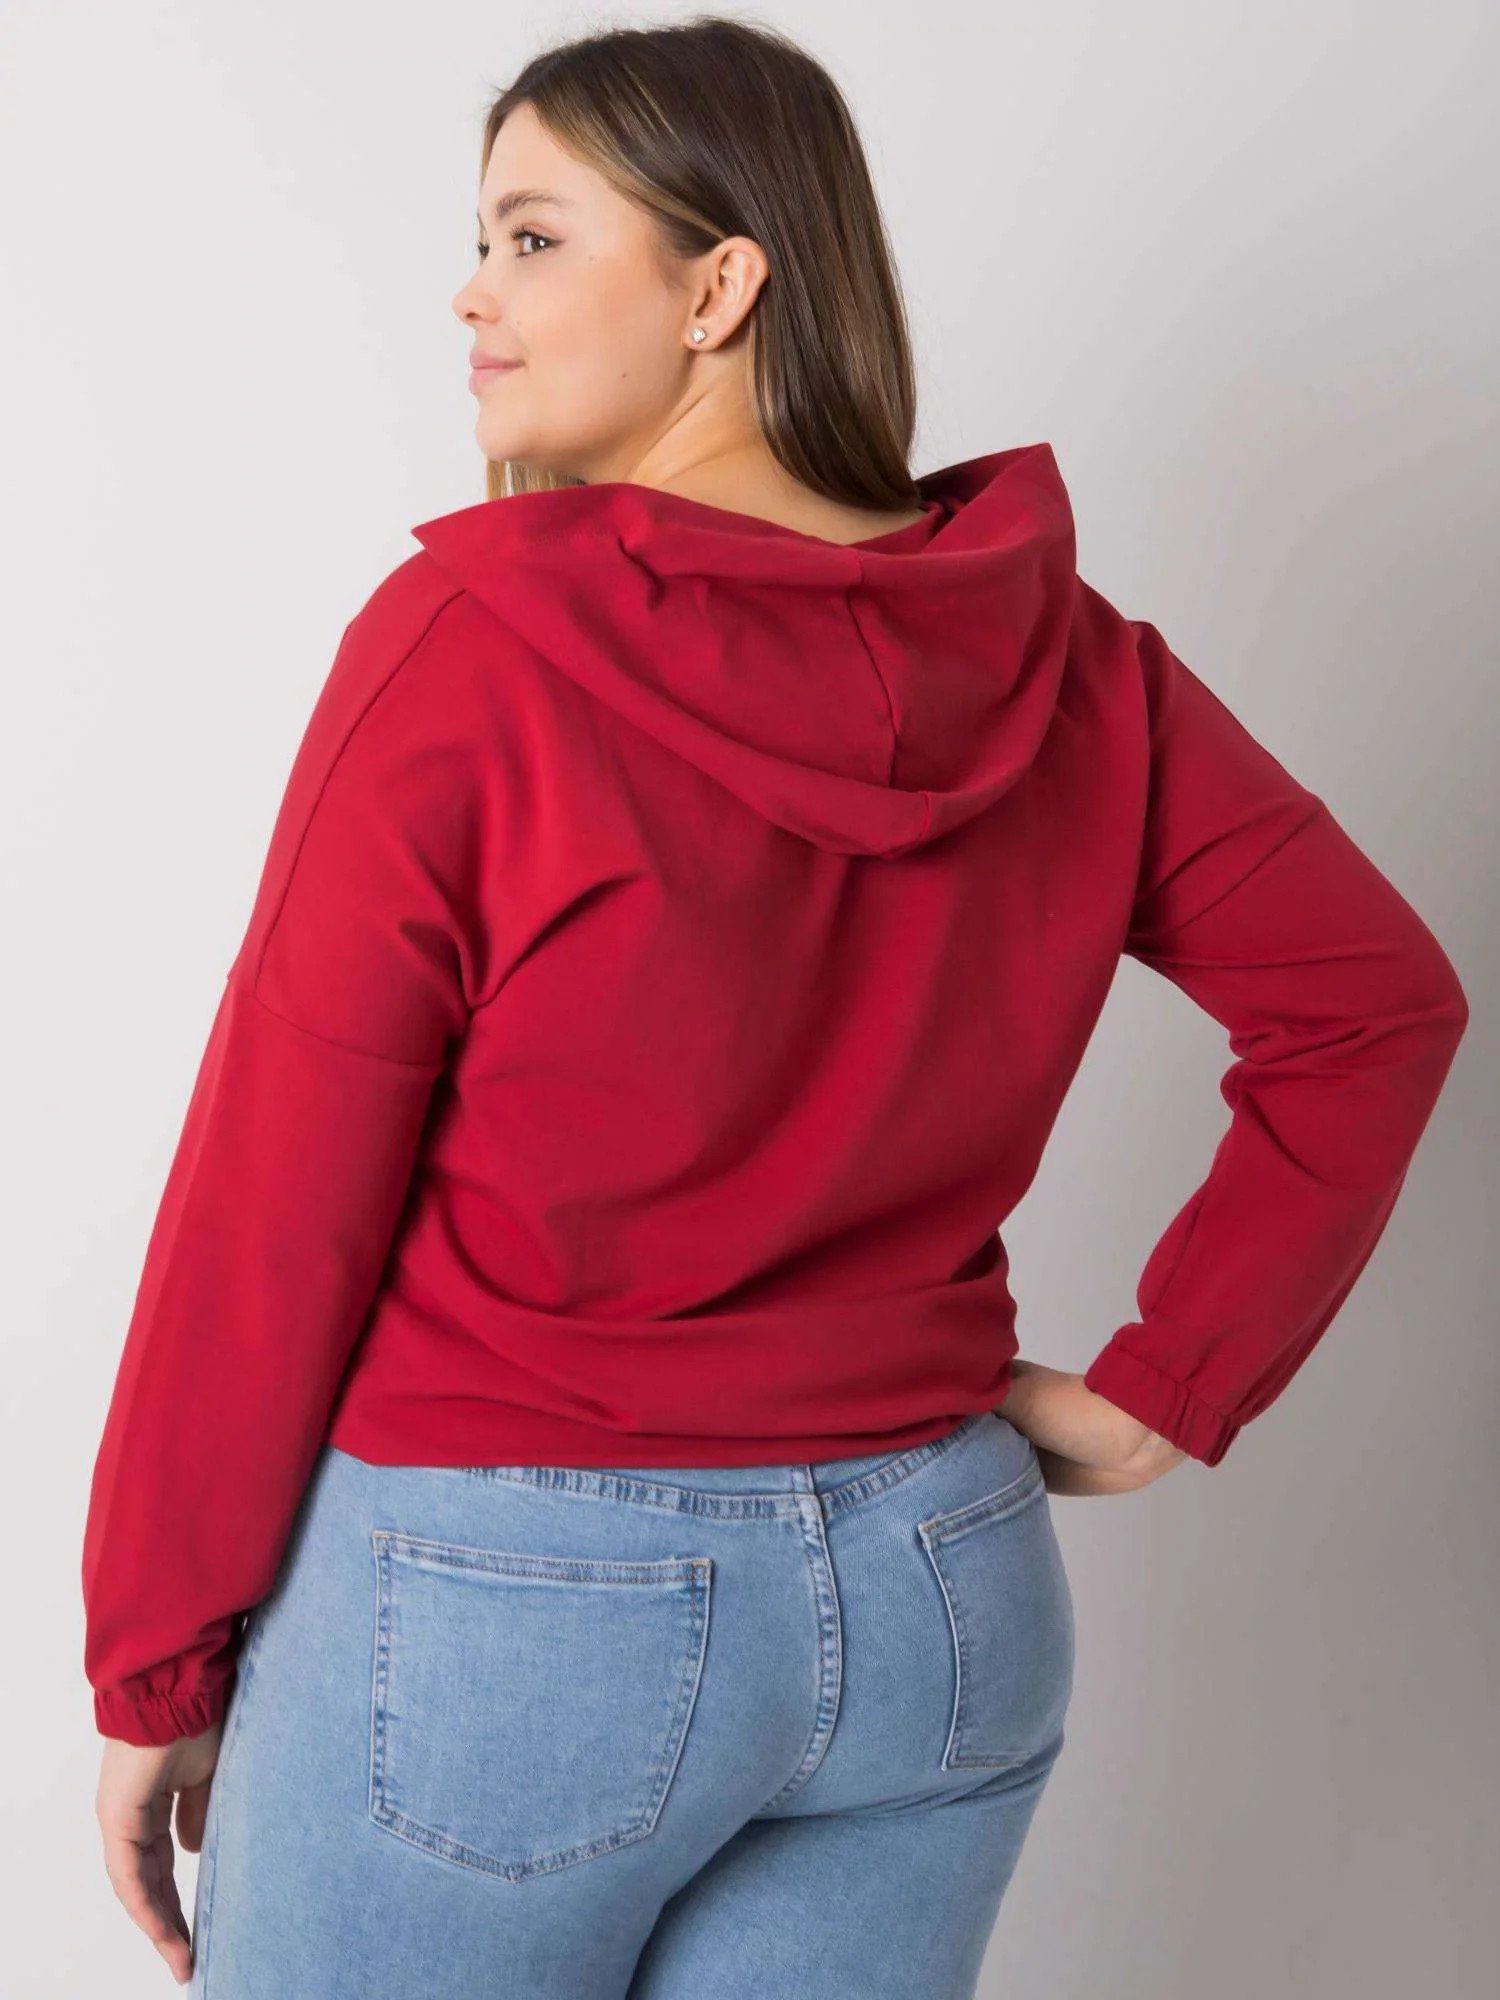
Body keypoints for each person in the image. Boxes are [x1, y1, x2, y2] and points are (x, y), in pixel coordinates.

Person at [83, 17, 1469, 1997]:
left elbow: (273, 1193)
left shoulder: (469, 650)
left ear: (719, 285)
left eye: (534, 237)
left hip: (512, 1613)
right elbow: (1374, 1005)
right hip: (942, 1600)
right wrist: (1171, 1384)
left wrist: (157, 1653)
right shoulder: (1078, 666)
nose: (472, 293)